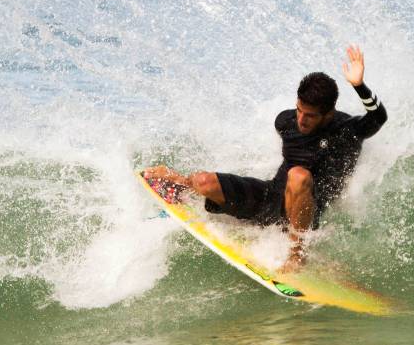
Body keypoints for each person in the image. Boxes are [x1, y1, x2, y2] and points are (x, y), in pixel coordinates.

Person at [144, 45, 387, 271]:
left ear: (328, 113)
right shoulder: (286, 121)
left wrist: (359, 85)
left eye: (310, 116)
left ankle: (297, 255)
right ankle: (182, 184)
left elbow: (378, 117)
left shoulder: (347, 131)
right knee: (204, 181)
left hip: (304, 214)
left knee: (299, 175)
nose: (301, 120)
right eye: (299, 110)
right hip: (270, 200)